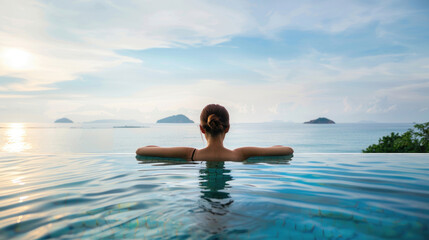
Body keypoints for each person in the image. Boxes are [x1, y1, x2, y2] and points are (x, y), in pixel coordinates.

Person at [136, 104, 294, 161]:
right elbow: (287, 150)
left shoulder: (189, 154)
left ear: (201, 128)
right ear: (227, 128)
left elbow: (142, 151)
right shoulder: (240, 154)